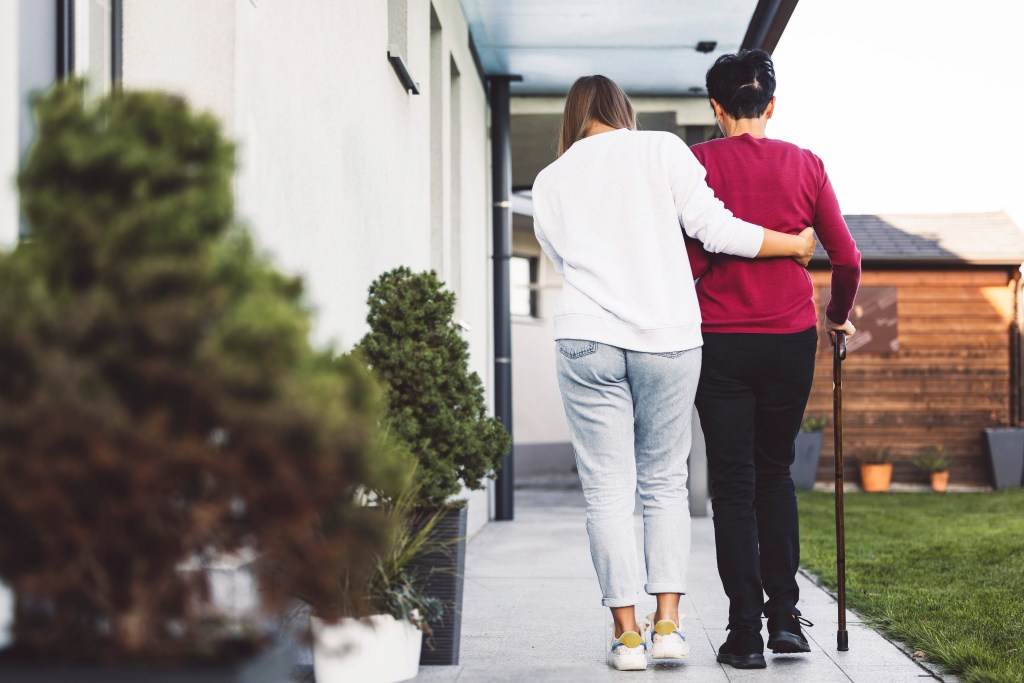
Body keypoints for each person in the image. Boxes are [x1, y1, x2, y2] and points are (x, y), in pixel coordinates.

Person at [531, 74, 817, 671]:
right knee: (664, 482)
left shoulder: (551, 179)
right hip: (668, 337)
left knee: (607, 489)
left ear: (573, 116)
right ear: (623, 109)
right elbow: (714, 230)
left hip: (587, 335)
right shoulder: (662, 149)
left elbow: (561, 260)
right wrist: (789, 245)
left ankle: (627, 637)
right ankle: (668, 628)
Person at [685, 50, 861, 670]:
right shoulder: (806, 164)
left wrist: (718, 264)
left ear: (716, 106)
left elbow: (691, 258)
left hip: (721, 341)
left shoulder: (698, 162)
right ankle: (785, 619)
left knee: (731, 484)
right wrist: (837, 315)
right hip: (790, 340)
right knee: (775, 473)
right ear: (771, 105)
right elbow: (848, 259)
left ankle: (743, 634)